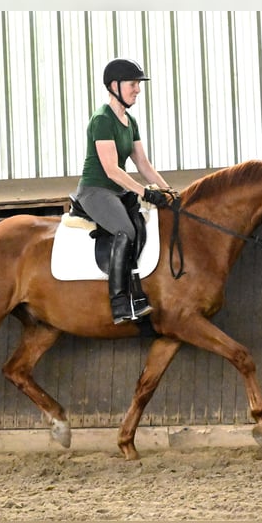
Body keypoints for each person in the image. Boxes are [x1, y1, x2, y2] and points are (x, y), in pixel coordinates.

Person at [75, 58, 175, 325]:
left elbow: (143, 164)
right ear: (115, 86)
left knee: (146, 224)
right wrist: (145, 192)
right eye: (133, 84)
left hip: (118, 191)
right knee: (126, 231)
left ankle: (140, 292)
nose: (137, 90)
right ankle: (120, 304)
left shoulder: (130, 121)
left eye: (137, 85)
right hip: (96, 191)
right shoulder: (102, 120)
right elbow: (111, 170)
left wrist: (169, 192)